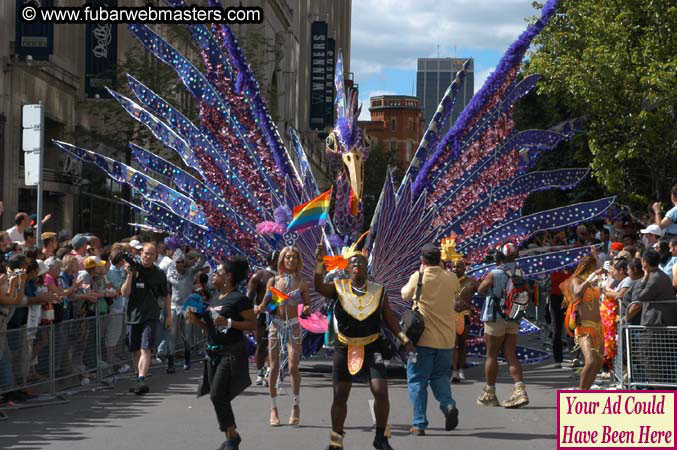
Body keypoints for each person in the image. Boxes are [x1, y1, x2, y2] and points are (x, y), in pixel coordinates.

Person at [314, 236, 414, 450]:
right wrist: (319, 262)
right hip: (345, 347)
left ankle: (381, 438)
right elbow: (319, 287)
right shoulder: (338, 287)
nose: (357, 265)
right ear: (348, 268)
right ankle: (336, 441)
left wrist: (405, 340)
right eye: (353, 263)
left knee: (380, 391)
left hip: (372, 347)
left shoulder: (379, 290)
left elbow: (390, 319)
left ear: (367, 267)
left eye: (361, 262)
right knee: (340, 396)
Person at [186, 256, 255, 450]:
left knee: (217, 395)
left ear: (229, 277)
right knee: (219, 396)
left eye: (218, 272)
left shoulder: (239, 299)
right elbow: (210, 328)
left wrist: (229, 323)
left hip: (230, 353)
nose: (214, 274)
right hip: (213, 353)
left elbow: (252, 324)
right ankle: (231, 436)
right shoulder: (215, 298)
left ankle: (232, 439)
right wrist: (194, 320)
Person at [401, 244, 461, 436]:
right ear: (440, 260)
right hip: (446, 340)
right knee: (440, 377)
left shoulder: (418, 277)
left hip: (422, 341)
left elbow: (405, 294)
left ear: (422, 260)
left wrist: (421, 273)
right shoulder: (451, 277)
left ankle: (419, 424)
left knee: (418, 380)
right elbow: (456, 292)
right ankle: (448, 404)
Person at [256, 246, 310, 426]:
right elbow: (265, 301)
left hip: (294, 325)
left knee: (294, 366)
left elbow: (307, 305)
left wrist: (307, 310)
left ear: (298, 261)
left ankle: (296, 405)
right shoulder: (273, 281)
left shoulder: (302, 283)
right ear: (282, 260)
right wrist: (260, 307)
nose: (291, 260)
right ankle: (273, 408)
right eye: (287, 257)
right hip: (276, 325)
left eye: (294, 257)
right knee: (273, 367)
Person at [476, 243, 529, 408]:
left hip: (495, 317)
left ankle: (490, 393)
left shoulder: (495, 273)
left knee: (492, 355)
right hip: (513, 317)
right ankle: (520, 391)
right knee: (510, 354)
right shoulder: (520, 272)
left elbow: (480, 290)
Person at [121, 243, 170, 395]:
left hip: (151, 315)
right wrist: (129, 275)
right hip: (134, 315)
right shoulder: (133, 270)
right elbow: (124, 293)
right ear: (141, 253)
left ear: (156, 256)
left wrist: (169, 316)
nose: (148, 257)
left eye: (151, 254)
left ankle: (142, 378)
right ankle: (138, 378)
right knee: (135, 350)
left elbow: (166, 295)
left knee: (145, 348)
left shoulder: (159, 274)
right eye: (146, 253)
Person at [562, 255, 605, 389]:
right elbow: (577, 293)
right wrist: (591, 277)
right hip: (584, 327)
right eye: (595, 268)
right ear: (589, 267)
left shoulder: (595, 282)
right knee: (591, 361)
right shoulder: (576, 280)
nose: (598, 270)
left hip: (599, 327)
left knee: (598, 363)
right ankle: (581, 391)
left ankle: (585, 391)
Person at [164, 248, 206, 373]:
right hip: (173, 307)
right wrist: (167, 313)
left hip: (187, 307)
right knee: (172, 335)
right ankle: (170, 363)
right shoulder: (169, 275)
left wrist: (197, 248)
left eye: (182, 261)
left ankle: (187, 360)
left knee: (187, 336)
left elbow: (202, 260)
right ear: (174, 262)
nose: (180, 264)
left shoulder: (190, 272)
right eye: (177, 262)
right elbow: (167, 294)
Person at [247, 250, 279, 386]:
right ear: (271, 261)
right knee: (261, 344)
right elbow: (249, 296)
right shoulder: (259, 276)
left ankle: (270, 372)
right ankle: (260, 372)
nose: (282, 261)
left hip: (280, 315)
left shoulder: (285, 276)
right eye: (279, 259)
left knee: (275, 345)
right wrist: (249, 314)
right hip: (263, 315)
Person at [626, 249, 676, 326]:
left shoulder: (654, 278)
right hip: (659, 321)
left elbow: (639, 298)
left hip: (656, 322)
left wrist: (644, 280)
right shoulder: (660, 275)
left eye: (642, 260)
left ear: (645, 262)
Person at [451, 259, 476, 382]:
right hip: (451, 316)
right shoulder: (448, 282)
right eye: (454, 267)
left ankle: (461, 370)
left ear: (464, 268)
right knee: (453, 344)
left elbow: (484, 291)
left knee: (462, 344)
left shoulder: (471, 282)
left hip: (465, 316)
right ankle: (454, 372)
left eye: (459, 266)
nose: (456, 269)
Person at [548, 270, 570, 368]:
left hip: (568, 298)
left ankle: (575, 356)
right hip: (555, 299)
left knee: (571, 326)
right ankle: (557, 359)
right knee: (556, 329)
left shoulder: (571, 268)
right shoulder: (554, 268)